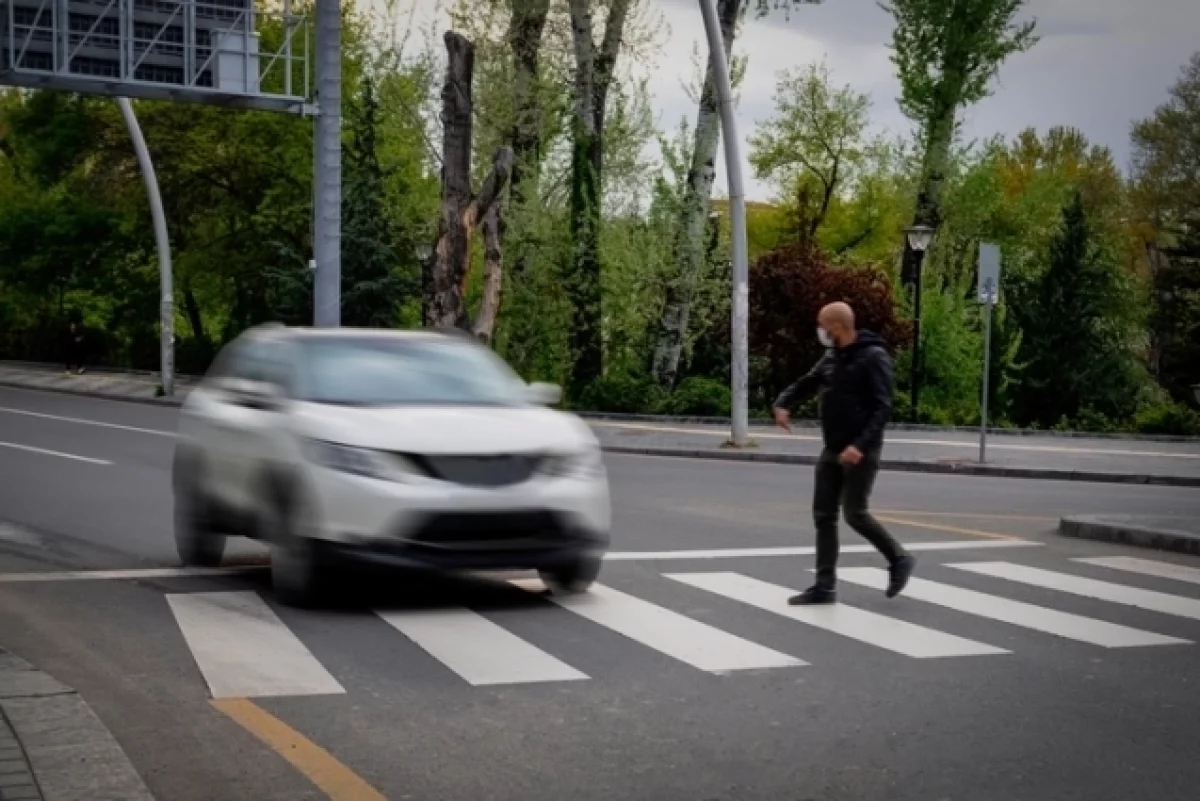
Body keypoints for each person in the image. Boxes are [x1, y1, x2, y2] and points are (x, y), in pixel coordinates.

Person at [772, 301, 915, 605]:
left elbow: (883, 406)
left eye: (823, 324)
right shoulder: (832, 356)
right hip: (833, 448)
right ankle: (824, 586)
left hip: (860, 451)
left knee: (855, 513)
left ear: (838, 326)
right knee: (824, 516)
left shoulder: (874, 357)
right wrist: (783, 403)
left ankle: (899, 559)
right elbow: (807, 382)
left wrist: (860, 446)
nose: (820, 330)